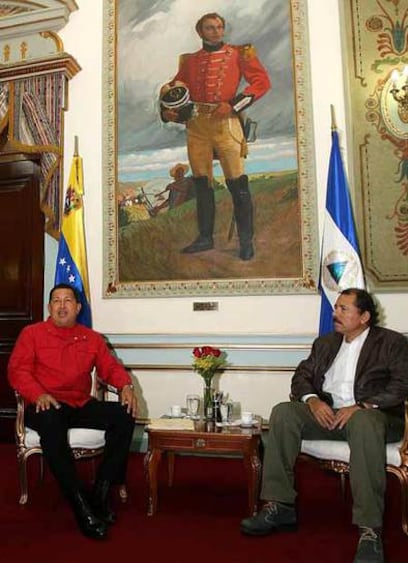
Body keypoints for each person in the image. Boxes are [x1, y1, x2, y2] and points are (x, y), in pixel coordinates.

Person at [241, 288, 408, 563]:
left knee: (364, 423)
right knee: (284, 413)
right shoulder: (325, 343)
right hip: (329, 415)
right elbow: (302, 377)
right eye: (336, 307)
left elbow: (405, 383)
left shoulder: (392, 343)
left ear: (364, 316)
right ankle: (280, 505)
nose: (335, 314)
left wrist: (363, 406)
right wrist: (312, 401)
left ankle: (370, 529)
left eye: (344, 309)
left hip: (374, 417)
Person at [8, 283, 138, 540]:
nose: (62, 305)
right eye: (56, 300)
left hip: (79, 402)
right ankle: (79, 502)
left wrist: (125, 385)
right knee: (51, 421)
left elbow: (109, 367)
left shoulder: (91, 338)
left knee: (124, 414)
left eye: (68, 300)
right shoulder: (32, 334)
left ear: (78, 308)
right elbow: (17, 371)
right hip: (46, 403)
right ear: (49, 307)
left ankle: (101, 491)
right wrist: (38, 394)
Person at [159, 12, 271, 260]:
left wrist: (233, 105)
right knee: (202, 184)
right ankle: (205, 238)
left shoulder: (240, 53)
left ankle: (246, 241)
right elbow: (173, 90)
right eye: (210, 28)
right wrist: (167, 111)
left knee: (237, 184)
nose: (217, 32)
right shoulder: (189, 61)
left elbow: (262, 82)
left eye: (220, 27)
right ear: (200, 32)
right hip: (197, 127)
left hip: (226, 123)